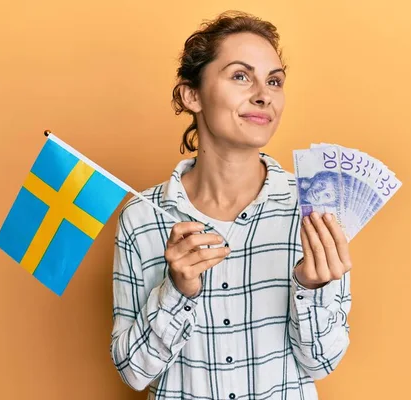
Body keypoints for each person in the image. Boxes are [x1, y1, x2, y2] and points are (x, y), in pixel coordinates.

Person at [110, 10, 353, 400]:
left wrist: (311, 287)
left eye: (274, 81)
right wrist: (176, 290)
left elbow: (321, 364)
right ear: (192, 95)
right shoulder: (141, 218)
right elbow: (133, 372)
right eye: (241, 76)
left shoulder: (313, 209)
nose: (263, 94)